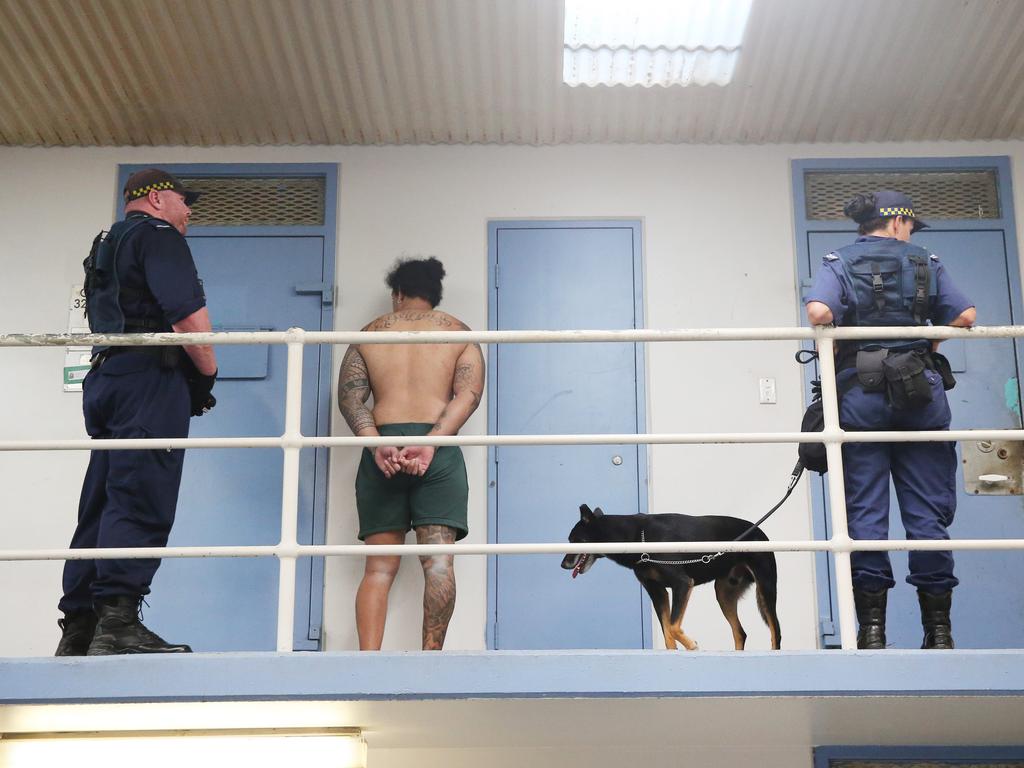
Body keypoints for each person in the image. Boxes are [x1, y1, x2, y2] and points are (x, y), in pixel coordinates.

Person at [55, 168, 218, 656]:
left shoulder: (106, 242)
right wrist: (207, 373)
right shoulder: (159, 235)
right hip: (149, 378)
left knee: (102, 498)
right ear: (158, 199)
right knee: (140, 492)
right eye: (185, 201)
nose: (190, 211)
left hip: (107, 376)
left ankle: (79, 626)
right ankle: (119, 623)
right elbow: (186, 316)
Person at [805, 190, 976, 650]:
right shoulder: (926, 260)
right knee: (926, 517)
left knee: (865, 515)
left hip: (861, 400)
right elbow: (964, 314)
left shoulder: (837, 259)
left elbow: (819, 311)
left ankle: (872, 633)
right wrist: (927, 344)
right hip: (920, 399)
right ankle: (939, 633)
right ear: (898, 224)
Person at [338, 257, 484, 650]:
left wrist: (375, 441)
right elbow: (467, 396)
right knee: (438, 564)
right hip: (435, 449)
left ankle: (368, 662)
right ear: (434, 296)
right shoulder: (457, 332)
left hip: (381, 447)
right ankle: (430, 661)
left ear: (397, 294)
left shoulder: (369, 333)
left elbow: (351, 398)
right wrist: (432, 440)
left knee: (379, 569)